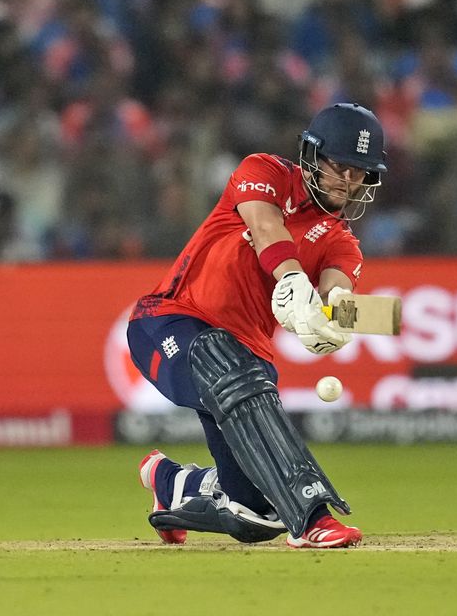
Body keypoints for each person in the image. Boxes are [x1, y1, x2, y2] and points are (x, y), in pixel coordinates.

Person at [127, 103, 388, 549]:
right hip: (170, 321)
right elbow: (267, 227)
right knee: (226, 362)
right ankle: (312, 517)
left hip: (247, 359)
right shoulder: (263, 171)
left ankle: (170, 481)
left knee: (253, 512)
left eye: (360, 172)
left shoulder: (343, 242)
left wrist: (342, 316)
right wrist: (289, 277)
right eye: (340, 166)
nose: (348, 181)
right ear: (313, 155)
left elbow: (336, 292)